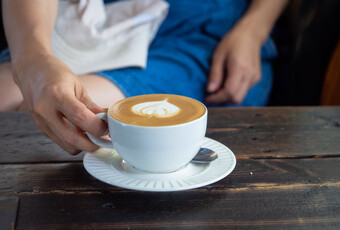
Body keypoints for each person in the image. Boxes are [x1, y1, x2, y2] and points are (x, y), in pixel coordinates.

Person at [0, 0, 288, 154]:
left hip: (203, 33)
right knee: (9, 93)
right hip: (100, 20)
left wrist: (254, 28)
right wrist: (33, 60)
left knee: (44, 112)